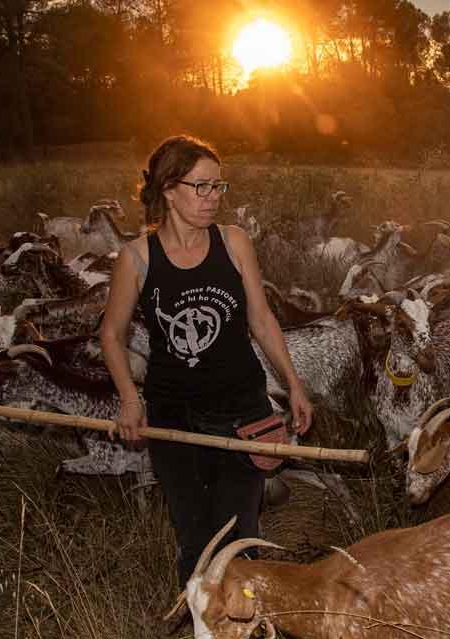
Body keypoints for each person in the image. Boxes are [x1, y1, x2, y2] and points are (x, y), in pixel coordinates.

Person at [99, 134, 313, 588]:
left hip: (242, 409)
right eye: (202, 187)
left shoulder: (234, 242)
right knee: (195, 536)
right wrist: (129, 400)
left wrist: (293, 384)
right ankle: (202, 636)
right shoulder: (137, 258)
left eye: (219, 186)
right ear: (169, 190)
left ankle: (246, 627)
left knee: (239, 536)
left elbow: (261, 317)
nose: (214, 197)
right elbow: (112, 335)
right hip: (174, 415)